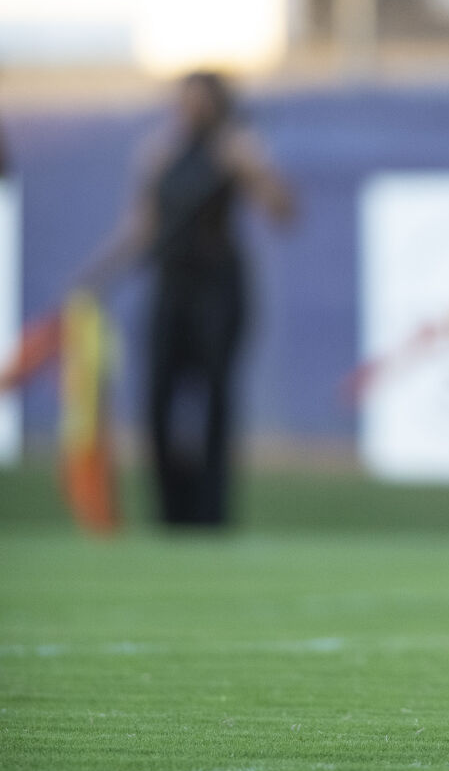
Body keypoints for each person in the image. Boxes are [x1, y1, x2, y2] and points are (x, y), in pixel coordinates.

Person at [88, 72, 294, 528]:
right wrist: (95, 277)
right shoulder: (160, 152)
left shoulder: (236, 147)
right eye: (185, 102)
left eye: (201, 102)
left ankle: (212, 517)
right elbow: (143, 226)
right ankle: (171, 517)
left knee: (216, 401)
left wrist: (253, 166)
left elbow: (283, 213)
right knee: (158, 399)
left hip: (219, 288)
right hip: (171, 286)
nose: (191, 110)